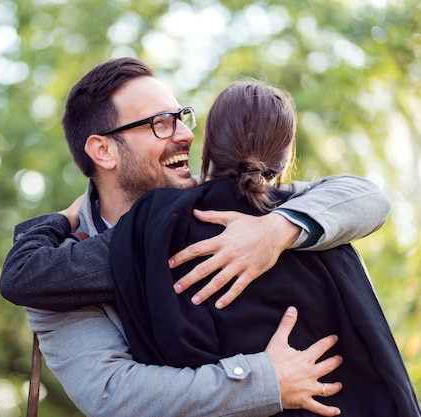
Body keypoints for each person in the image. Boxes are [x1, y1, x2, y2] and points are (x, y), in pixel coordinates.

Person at [1, 57, 391, 416]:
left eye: (182, 117)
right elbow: (112, 393)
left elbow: (366, 198)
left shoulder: (229, 202)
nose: (187, 134)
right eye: (160, 123)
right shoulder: (58, 275)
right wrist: (265, 379)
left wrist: (275, 230)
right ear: (103, 150)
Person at [108, 78, 421, 416]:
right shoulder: (325, 237)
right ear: (285, 159)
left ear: (206, 147)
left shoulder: (150, 228)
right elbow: (379, 363)